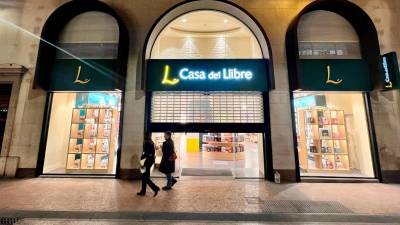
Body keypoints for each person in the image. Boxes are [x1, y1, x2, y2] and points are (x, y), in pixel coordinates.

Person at [137, 132, 160, 197]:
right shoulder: (151, 142)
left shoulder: (146, 142)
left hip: (145, 162)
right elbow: (151, 153)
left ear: (145, 135)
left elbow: (146, 153)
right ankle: (143, 191)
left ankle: (155, 188)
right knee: (145, 177)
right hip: (150, 161)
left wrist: (142, 161)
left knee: (145, 177)